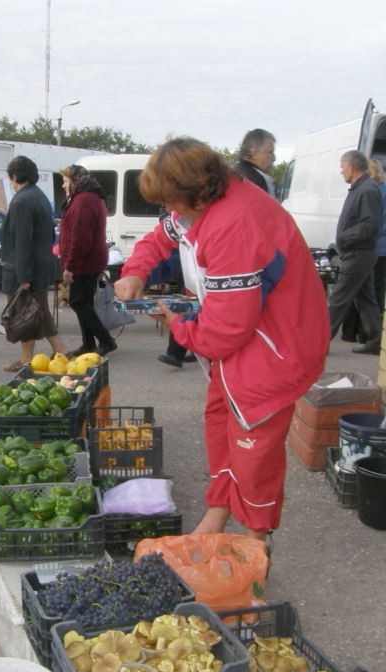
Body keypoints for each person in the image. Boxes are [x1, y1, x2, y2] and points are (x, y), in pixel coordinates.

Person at [115, 137, 329, 543]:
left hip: (273, 348)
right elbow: (161, 236)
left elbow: (225, 330)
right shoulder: (201, 203)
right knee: (219, 424)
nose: (169, 210)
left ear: (195, 191)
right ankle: (217, 514)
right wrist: (136, 271)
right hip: (243, 346)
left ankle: (254, 539)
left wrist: (175, 324)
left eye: (173, 201)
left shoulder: (235, 222)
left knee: (254, 449)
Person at [0, 156, 72, 372]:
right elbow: (49, 233)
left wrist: (22, 276)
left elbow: (22, 241)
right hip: (41, 262)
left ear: (13, 177)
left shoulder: (21, 201)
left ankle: (26, 359)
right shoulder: (39, 195)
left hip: (25, 266)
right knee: (38, 310)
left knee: (24, 313)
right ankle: (61, 349)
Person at [327, 150, 383, 356]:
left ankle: (319, 342)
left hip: (359, 253)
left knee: (338, 299)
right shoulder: (361, 188)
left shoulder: (367, 190)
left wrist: (344, 237)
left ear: (351, 166)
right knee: (366, 299)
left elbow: (370, 226)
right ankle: (375, 341)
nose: (341, 171)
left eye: (342, 166)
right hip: (359, 253)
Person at [58, 164, 116, 356]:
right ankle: (88, 343)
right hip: (89, 259)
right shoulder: (86, 197)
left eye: (66, 180)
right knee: (84, 302)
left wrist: (70, 267)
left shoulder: (83, 200)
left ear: (76, 180)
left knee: (77, 302)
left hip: (85, 262)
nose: (63, 185)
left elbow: (81, 238)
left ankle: (106, 340)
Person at [234, 129, 277, 197]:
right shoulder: (262, 179)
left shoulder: (232, 175)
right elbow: (270, 207)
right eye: (270, 152)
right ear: (255, 154)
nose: (274, 159)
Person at [368, 158, 386, 314]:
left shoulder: (377, 192)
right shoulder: (381, 191)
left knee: (374, 287)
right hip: (379, 247)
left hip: (378, 246)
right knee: (377, 287)